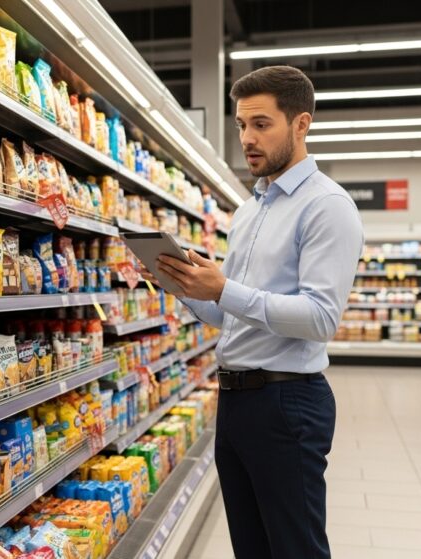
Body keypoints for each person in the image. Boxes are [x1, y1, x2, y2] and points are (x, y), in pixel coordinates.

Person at [153, 65, 363, 558]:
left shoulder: (327, 206)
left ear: (301, 124)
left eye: (262, 124)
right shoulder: (248, 211)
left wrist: (224, 288)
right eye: (242, 126)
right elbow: (232, 316)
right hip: (235, 402)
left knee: (295, 548)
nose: (247, 138)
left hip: (287, 403)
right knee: (251, 547)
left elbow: (320, 318)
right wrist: (183, 285)